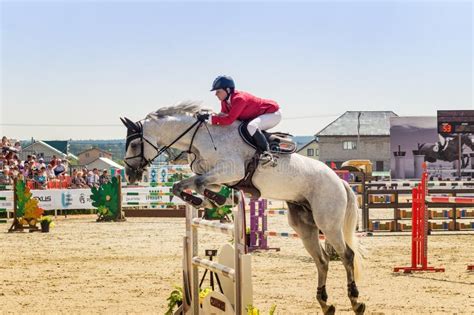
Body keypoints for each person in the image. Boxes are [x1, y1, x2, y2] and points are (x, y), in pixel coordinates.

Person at [200, 75, 281, 165]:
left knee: (251, 126)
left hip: (272, 113)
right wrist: (208, 117)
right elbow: (222, 116)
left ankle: (267, 155)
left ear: (227, 90)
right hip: (259, 115)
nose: (216, 94)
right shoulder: (224, 101)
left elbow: (229, 120)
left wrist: (210, 118)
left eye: (218, 91)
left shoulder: (239, 99)